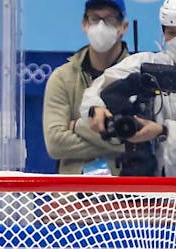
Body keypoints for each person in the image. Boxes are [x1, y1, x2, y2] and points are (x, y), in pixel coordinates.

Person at [81, 0, 176, 225]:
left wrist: (162, 130)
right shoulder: (154, 63)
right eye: (171, 32)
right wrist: (96, 107)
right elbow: (101, 83)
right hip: (172, 195)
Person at [42, 0, 131, 175]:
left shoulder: (137, 76)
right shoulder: (62, 77)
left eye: (110, 19)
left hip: (126, 193)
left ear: (124, 27)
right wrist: (117, 139)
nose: (101, 26)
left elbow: (139, 141)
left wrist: (77, 127)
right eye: (95, 18)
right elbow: (55, 143)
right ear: (84, 24)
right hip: (71, 196)